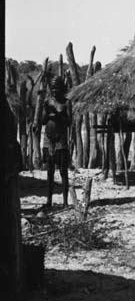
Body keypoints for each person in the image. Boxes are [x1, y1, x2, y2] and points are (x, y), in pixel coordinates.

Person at [42, 76, 71, 208]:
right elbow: (42, 121)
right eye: (52, 88)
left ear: (62, 89)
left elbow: (69, 122)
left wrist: (58, 115)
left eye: (57, 88)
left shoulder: (66, 103)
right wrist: (48, 114)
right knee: (50, 172)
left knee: (63, 172)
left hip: (61, 141)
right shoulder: (47, 102)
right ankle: (49, 201)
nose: (54, 91)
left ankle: (65, 202)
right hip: (48, 141)